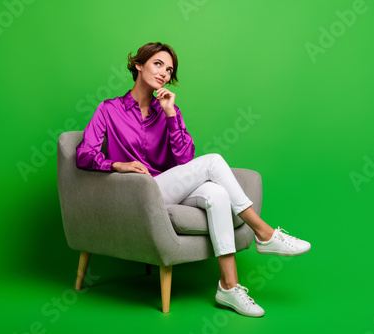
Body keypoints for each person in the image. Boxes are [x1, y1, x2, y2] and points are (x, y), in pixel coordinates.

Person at [75, 42, 311, 317]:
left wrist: (170, 114)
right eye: (158, 64)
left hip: (166, 187)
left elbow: (186, 159)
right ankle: (264, 233)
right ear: (138, 65)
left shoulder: (167, 110)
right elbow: (83, 155)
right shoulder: (108, 109)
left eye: (169, 69)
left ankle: (229, 288)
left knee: (217, 194)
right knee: (213, 162)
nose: (164, 73)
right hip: (139, 192)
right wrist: (119, 164)